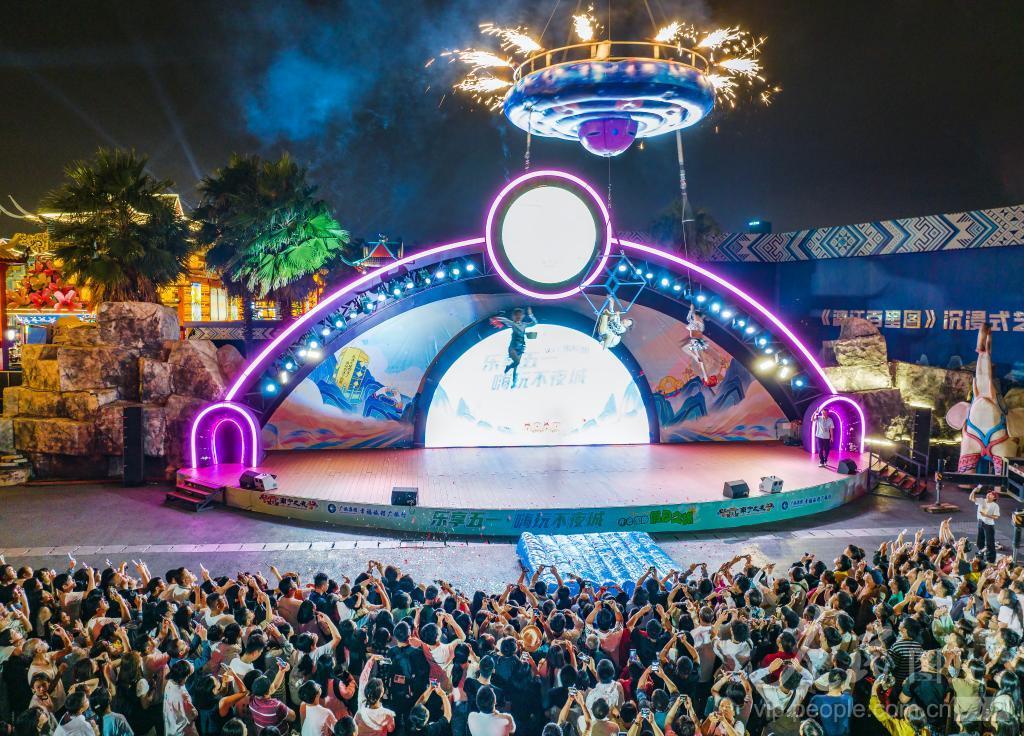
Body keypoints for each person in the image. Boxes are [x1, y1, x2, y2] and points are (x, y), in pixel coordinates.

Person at [491, 308, 537, 386]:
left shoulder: (524, 325)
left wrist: (530, 314)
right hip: (513, 347)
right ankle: (508, 367)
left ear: (522, 316)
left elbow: (534, 323)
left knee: (516, 366)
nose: (518, 317)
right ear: (514, 316)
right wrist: (495, 318)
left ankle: (514, 382)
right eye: (517, 315)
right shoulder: (512, 324)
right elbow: (504, 320)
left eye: (520, 315)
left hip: (521, 347)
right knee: (517, 362)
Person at [969, 485, 1000, 563]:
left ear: (994, 498)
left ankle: (990, 560)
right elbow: (971, 498)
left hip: (989, 525)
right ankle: (980, 556)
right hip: (980, 522)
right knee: (980, 541)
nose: (988, 494)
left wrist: (986, 515)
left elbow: (996, 517)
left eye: (991, 494)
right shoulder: (982, 500)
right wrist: (974, 491)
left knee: (990, 543)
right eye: (988, 493)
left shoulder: (995, 506)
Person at [683, 304, 711, 384]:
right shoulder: (695, 321)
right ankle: (696, 357)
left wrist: (692, 311)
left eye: (695, 316)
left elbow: (690, 319)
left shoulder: (699, 322)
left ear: (698, 316)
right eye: (694, 316)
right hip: (694, 341)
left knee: (701, 360)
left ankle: (706, 376)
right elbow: (688, 318)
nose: (694, 317)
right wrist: (691, 310)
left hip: (696, 341)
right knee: (685, 348)